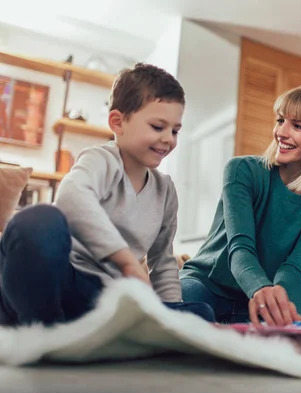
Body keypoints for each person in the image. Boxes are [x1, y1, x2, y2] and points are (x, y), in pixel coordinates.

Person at [0, 63, 214, 326]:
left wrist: (170, 316)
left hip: (101, 296)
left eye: (175, 130)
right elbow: (71, 196)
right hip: (60, 277)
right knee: (38, 220)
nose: (168, 139)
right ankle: (40, 327)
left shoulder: (166, 190)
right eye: (158, 127)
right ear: (118, 122)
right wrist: (127, 262)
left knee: (199, 314)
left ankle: (75, 328)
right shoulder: (101, 159)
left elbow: (164, 264)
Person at [179, 85, 301, 327]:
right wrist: (260, 289)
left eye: (298, 126)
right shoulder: (243, 170)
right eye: (280, 120)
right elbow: (240, 249)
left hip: (256, 306)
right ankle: (241, 336)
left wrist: (287, 321)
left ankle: (233, 334)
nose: (281, 132)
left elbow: (295, 269)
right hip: (207, 288)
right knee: (181, 295)